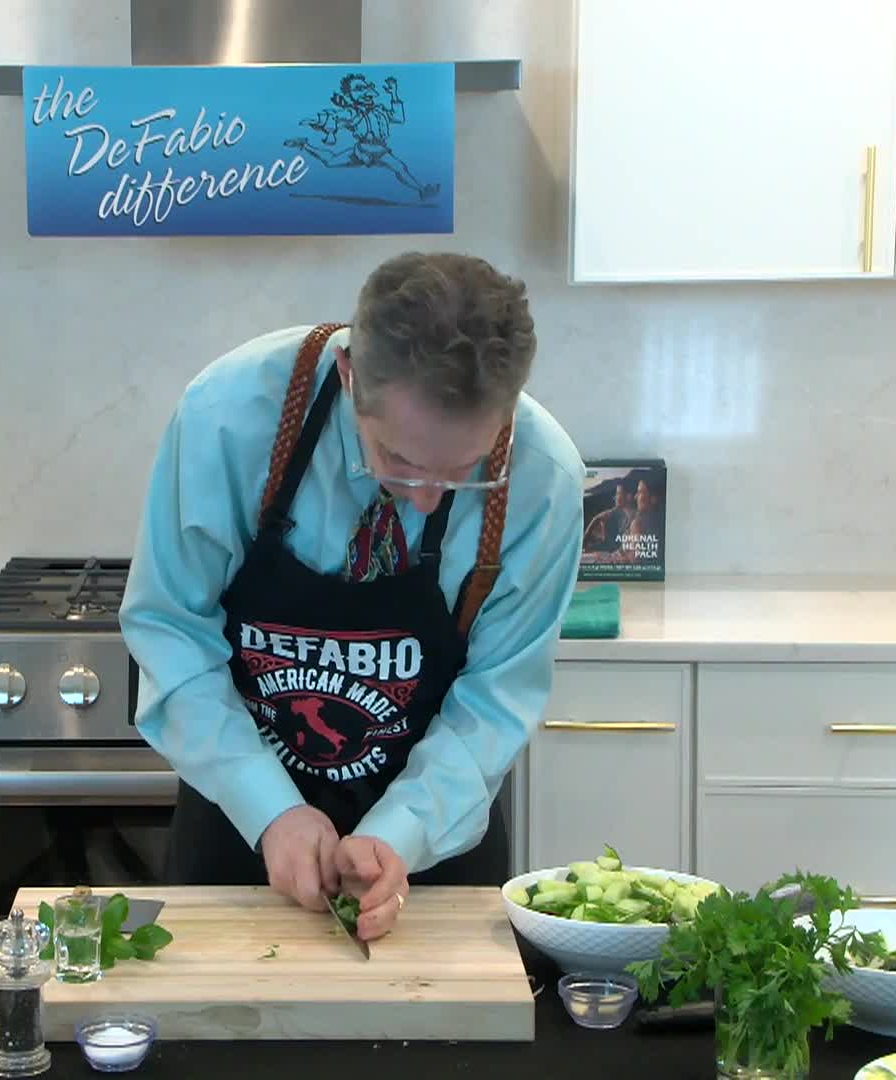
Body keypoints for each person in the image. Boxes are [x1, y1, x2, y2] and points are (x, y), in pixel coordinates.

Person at [118, 252, 585, 943]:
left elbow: (496, 697)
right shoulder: (229, 419)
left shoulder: (543, 480)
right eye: (397, 460)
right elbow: (170, 626)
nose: (426, 498)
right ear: (348, 372)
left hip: (429, 847)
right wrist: (270, 807)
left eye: (463, 474)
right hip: (239, 818)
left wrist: (400, 834)